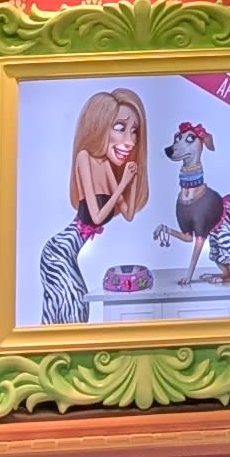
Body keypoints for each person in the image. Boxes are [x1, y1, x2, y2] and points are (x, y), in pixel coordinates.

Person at [38, 88, 149, 322]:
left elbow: (128, 214)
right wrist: (123, 184)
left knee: (72, 308)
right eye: (120, 128)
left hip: (70, 251)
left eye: (134, 131)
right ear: (99, 125)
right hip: (58, 251)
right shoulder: (85, 158)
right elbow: (97, 217)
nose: (130, 141)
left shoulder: (108, 168)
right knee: (75, 307)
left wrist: (134, 176)